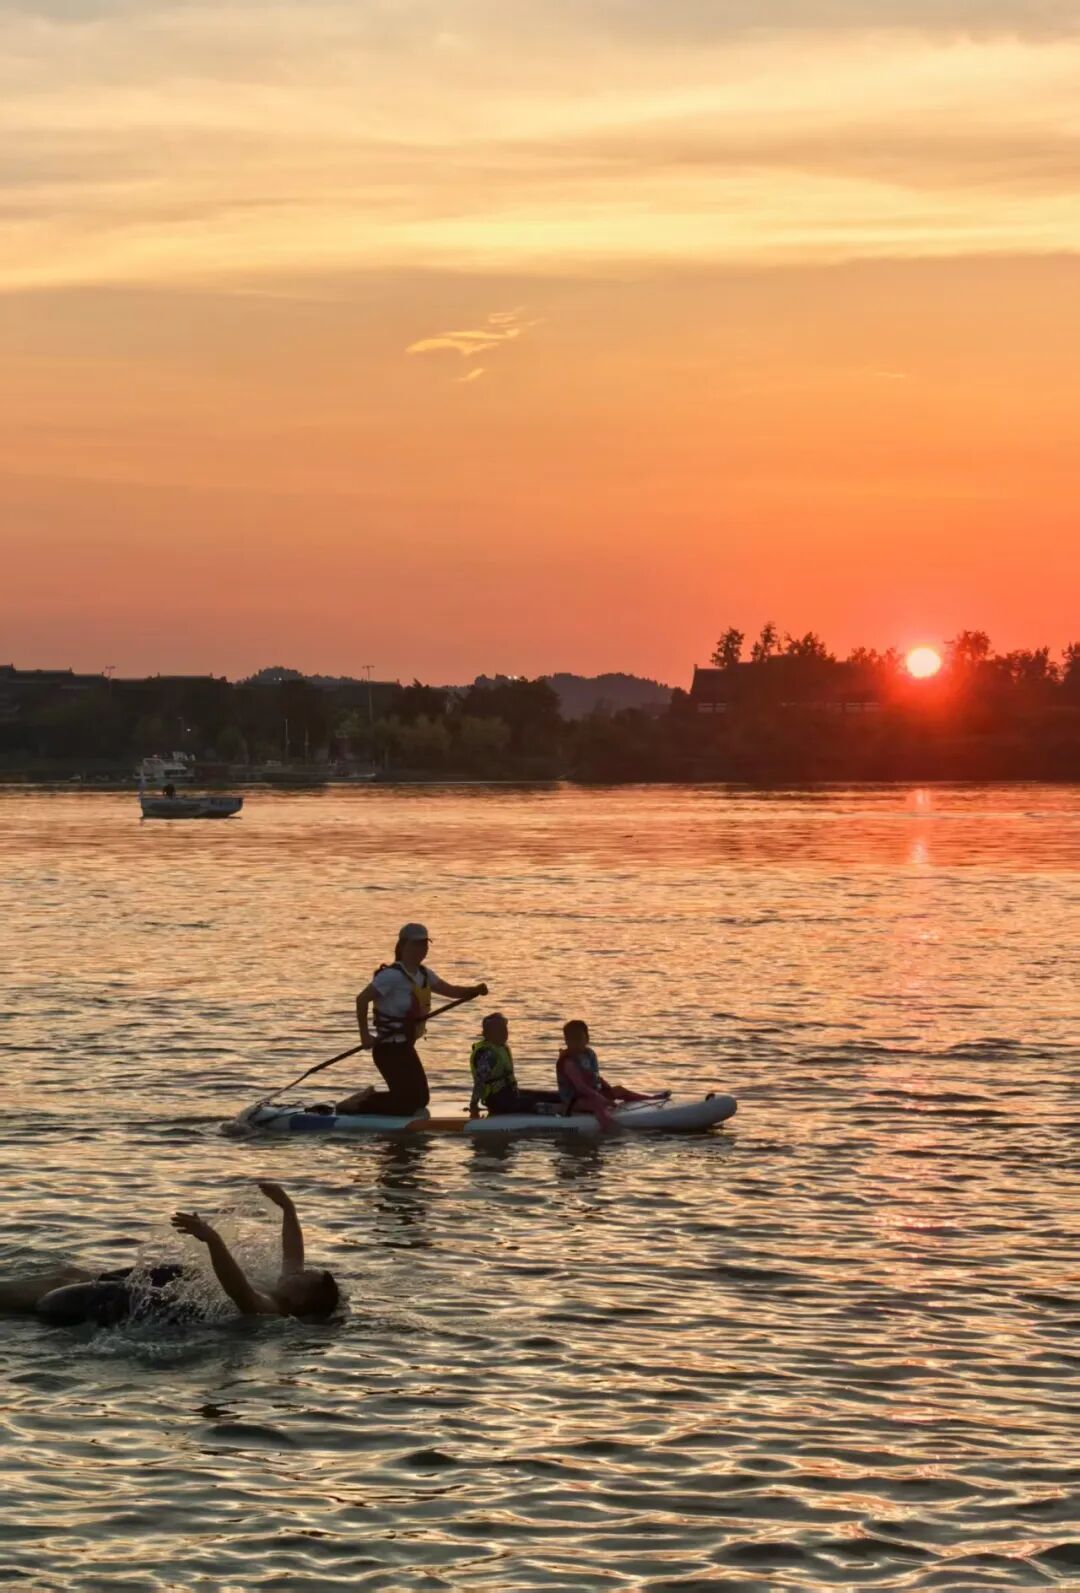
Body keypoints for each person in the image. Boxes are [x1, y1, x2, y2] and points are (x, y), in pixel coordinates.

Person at [0, 1183, 339, 1327]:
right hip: (147, 1291)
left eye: (301, 1279)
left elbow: (237, 1289)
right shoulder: (283, 1289)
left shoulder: (269, 1308)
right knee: (69, 1273)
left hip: (119, 1307)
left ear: (299, 1304)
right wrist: (287, 1207)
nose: (295, 1272)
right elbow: (293, 1253)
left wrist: (213, 1240)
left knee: (46, 1300)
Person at [337, 923, 487, 1115]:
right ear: (403, 946)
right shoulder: (391, 976)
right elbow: (362, 999)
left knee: (421, 1099)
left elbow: (451, 991)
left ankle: (369, 1099)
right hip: (387, 1049)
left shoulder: (424, 974)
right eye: (416, 944)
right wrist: (364, 1036)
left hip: (405, 1047)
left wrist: (474, 990)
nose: (422, 949)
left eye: (425, 944)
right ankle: (357, 1106)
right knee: (408, 1103)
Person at [556, 1020, 655, 1129]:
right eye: (572, 1040)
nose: (576, 1043)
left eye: (579, 1039)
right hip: (574, 1101)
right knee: (597, 1105)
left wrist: (606, 1088)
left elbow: (594, 1076)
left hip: (593, 1094)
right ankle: (610, 1128)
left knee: (619, 1090)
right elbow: (581, 1087)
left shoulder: (589, 1054)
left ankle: (651, 1100)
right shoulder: (568, 1062)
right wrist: (601, 1099)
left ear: (587, 1039)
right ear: (566, 1041)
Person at [468, 1013, 563, 1117]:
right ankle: (561, 1110)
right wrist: (473, 1105)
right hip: (497, 1101)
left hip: (510, 1094)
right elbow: (479, 1083)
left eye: (505, 1030)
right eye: (498, 1030)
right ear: (487, 1034)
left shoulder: (501, 1047)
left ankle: (570, 1103)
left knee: (550, 1096)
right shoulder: (486, 1054)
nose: (504, 1033)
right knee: (532, 1102)